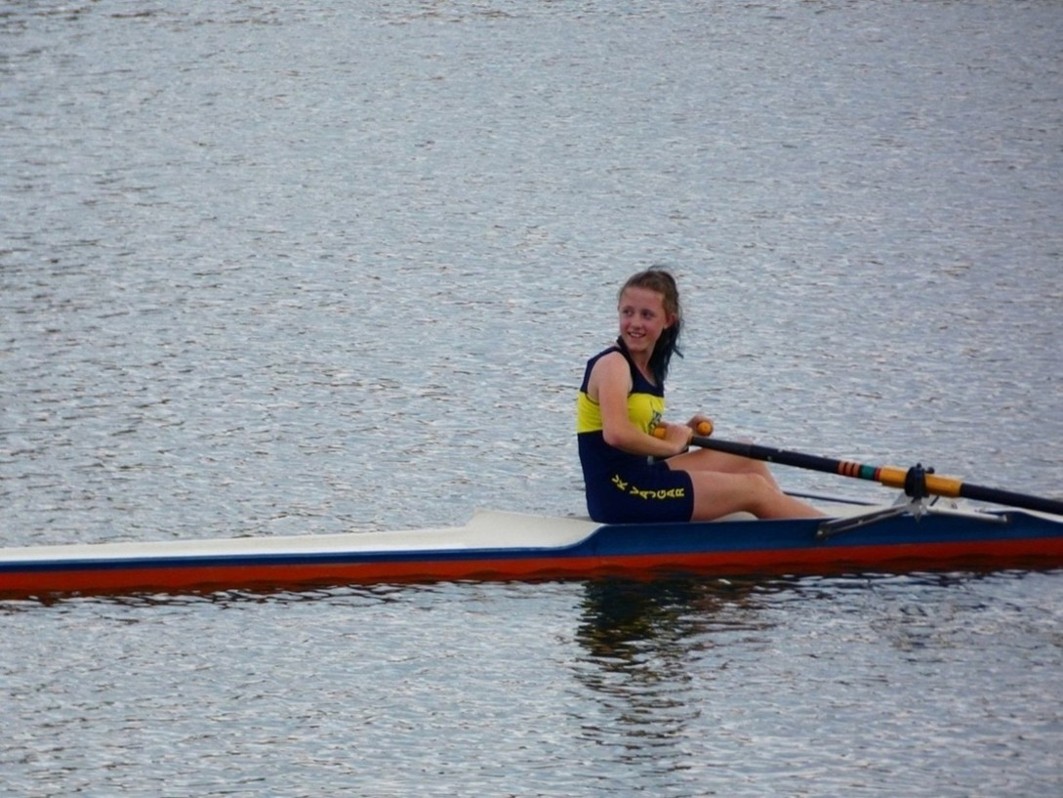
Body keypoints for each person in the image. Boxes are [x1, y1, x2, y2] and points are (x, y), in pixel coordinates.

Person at [576, 268, 824, 524]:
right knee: (754, 489)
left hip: (641, 479)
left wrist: (681, 433)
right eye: (628, 312)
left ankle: (785, 522)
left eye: (647, 315)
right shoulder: (613, 365)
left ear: (668, 320)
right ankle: (818, 531)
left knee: (746, 458)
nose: (635, 323)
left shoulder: (649, 369)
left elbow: (637, 432)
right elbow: (616, 434)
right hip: (620, 495)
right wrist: (672, 446)